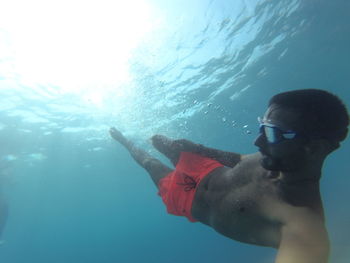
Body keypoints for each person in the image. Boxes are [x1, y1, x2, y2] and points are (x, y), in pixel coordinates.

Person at [109, 89, 349, 263]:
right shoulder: (272, 157)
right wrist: (201, 149)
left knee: (150, 163)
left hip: (185, 199)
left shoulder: (303, 226)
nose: (257, 141)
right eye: (262, 128)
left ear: (315, 148)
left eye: (272, 133)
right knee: (162, 142)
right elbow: (241, 160)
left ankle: (125, 142)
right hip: (204, 168)